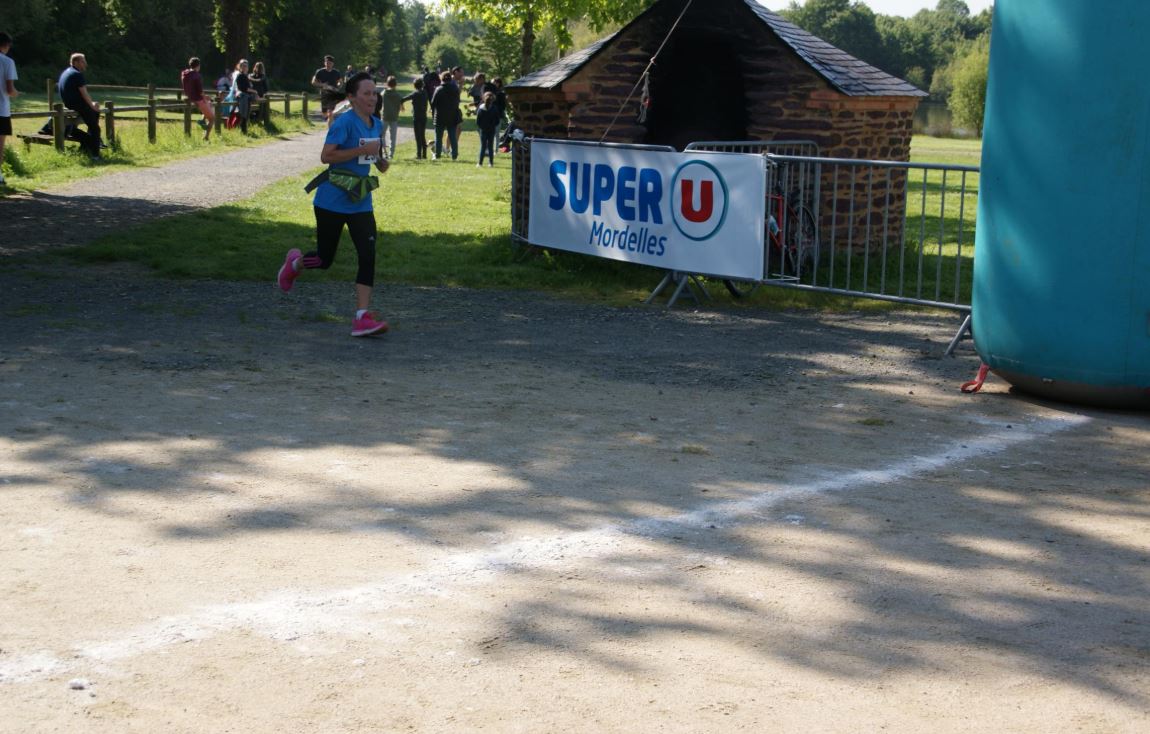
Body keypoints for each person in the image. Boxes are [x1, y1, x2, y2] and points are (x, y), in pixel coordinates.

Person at [277, 72, 390, 338]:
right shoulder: (344, 122)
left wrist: (379, 162)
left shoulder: (376, 123)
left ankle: (362, 316)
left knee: (368, 254)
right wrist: (360, 152)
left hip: (360, 200)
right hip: (331, 200)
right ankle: (294, 265)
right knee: (325, 259)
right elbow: (327, 156)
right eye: (366, 93)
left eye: (374, 93)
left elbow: (372, 153)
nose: (372, 97)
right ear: (352, 98)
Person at [58, 53, 103, 160]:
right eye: (83, 61)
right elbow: (84, 93)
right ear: (76, 62)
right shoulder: (77, 74)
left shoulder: (66, 72)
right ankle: (95, 155)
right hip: (78, 105)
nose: (85, 64)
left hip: (69, 104)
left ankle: (86, 147)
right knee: (95, 128)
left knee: (95, 116)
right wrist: (92, 105)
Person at [430, 70, 460, 161]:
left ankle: (437, 154)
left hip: (440, 116)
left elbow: (433, 102)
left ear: (441, 79)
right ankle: (454, 155)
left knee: (438, 137)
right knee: (452, 136)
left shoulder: (438, 89)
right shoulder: (455, 89)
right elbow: (457, 101)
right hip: (452, 115)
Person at [180, 57, 213, 141]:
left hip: (190, 97)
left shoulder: (184, 73)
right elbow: (200, 91)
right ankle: (206, 137)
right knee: (212, 118)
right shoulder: (197, 75)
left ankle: (202, 120)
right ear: (198, 65)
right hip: (198, 99)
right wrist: (206, 97)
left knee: (209, 103)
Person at [0, 32, 18, 186]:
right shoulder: (7, 62)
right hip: (1, 109)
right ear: (5, 45)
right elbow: (10, 89)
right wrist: (16, 93)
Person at [402, 76, 428, 160]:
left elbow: (404, 99)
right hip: (423, 116)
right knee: (422, 135)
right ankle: (424, 154)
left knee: (418, 136)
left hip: (417, 117)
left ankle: (418, 154)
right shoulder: (425, 93)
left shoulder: (415, 94)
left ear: (415, 85)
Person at [311, 55, 342, 123]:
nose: (328, 64)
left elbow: (340, 82)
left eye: (330, 63)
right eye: (327, 62)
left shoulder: (336, 72)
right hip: (324, 94)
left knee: (330, 112)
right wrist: (322, 85)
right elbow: (313, 82)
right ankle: (327, 118)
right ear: (324, 63)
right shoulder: (320, 72)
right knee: (325, 113)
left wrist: (338, 86)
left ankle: (331, 128)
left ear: (333, 64)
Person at [378, 75, 401, 159]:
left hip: (385, 116)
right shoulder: (398, 95)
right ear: (395, 84)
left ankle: (384, 152)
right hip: (394, 117)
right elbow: (401, 107)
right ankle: (391, 154)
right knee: (393, 137)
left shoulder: (384, 93)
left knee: (382, 135)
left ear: (387, 83)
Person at [229, 59, 254, 133]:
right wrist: (254, 91)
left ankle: (243, 130)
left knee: (246, 115)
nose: (244, 67)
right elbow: (243, 88)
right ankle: (242, 131)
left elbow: (248, 86)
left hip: (247, 97)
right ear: (240, 67)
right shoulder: (240, 75)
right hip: (242, 97)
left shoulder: (245, 76)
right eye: (243, 66)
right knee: (242, 114)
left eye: (246, 66)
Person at [475, 91, 499, 168]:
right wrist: (493, 126)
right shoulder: (494, 108)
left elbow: (477, 121)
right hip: (491, 129)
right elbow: (497, 121)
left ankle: (480, 163)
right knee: (490, 147)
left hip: (483, 130)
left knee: (483, 146)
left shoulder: (481, 109)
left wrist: (481, 127)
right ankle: (491, 163)